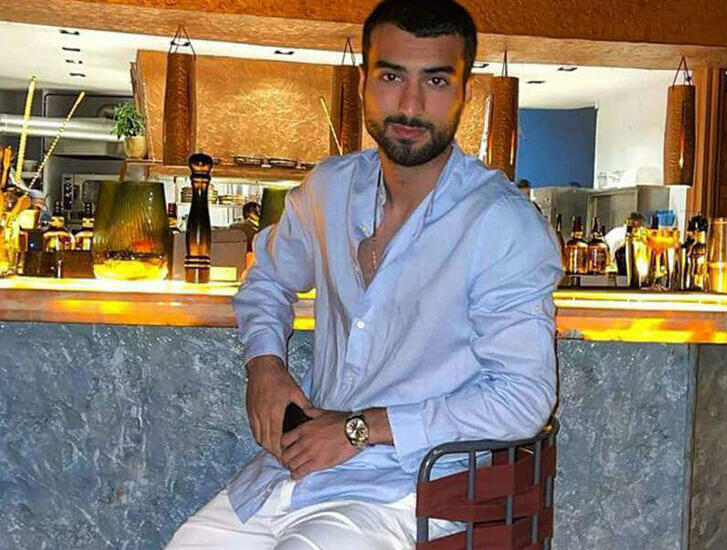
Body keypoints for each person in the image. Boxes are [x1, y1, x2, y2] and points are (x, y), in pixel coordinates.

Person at [167, 1, 562, 548]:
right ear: (363, 83)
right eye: (392, 76)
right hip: (293, 476)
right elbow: (268, 278)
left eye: (436, 81)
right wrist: (265, 365)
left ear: (465, 93)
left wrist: (360, 429)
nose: (410, 104)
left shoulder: (501, 223)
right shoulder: (330, 188)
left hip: (411, 490)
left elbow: (523, 397)